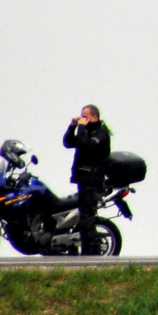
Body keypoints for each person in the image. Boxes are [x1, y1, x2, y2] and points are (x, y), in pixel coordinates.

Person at [62, 105, 111, 254]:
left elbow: (86, 145)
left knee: (87, 217)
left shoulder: (101, 132)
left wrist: (81, 128)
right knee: (83, 216)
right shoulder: (86, 132)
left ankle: (91, 253)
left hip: (93, 180)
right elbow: (68, 143)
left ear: (94, 117)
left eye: (85, 116)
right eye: (82, 116)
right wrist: (72, 127)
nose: (82, 119)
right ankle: (87, 250)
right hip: (83, 179)